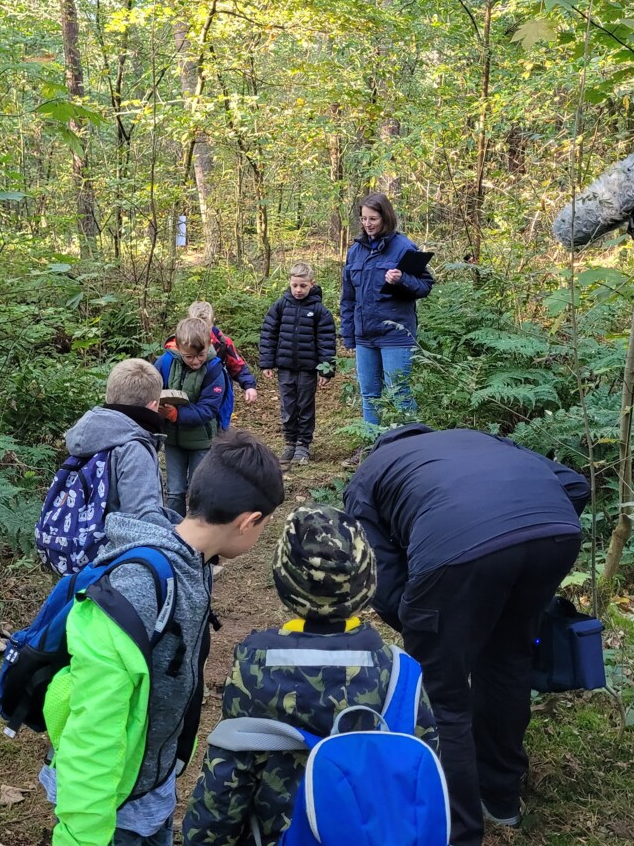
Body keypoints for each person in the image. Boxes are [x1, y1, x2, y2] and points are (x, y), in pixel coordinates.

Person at [342, 424, 590, 846]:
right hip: (556, 531)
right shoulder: (478, 438)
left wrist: (422, 625)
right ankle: (501, 798)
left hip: (457, 547)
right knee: (509, 663)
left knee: (444, 694)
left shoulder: (369, 472)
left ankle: (457, 830)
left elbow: (376, 568)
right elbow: (575, 484)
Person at [41, 431, 286, 846]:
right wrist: (81, 836)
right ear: (249, 522)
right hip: (108, 800)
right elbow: (93, 726)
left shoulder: (194, 563)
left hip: (151, 783)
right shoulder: (136, 590)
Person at [182, 502, 438, 846]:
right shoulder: (400, 674)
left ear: (283, 581)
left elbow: (226, 785)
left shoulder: (255, 666)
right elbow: (423, 775)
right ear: (367, 581)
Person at [340, 192, 434, 425]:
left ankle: (410, 441)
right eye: (364, 219)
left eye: (373, 219)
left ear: (386, 217)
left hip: (396, 335)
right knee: (369, 395)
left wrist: (402, 279)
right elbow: (348, 297)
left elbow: (424, 286)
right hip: (365, 335)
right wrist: (349, 334)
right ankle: (372, 442)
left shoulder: (403, 247)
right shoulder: (355, 251)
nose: (368, 224)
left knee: (399, 393)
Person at [62, 358, 167, 523]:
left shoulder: (86, 435)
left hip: (80, 535)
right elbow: (142, 523)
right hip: (113, 540)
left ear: (107, 396)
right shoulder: (135, 450)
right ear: (153, 405)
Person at [259, 262, 337, 465]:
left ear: (312, 284)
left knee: (305, 405)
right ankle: (290, 442)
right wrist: (267, 363)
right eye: (294, 285)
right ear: (289, 283)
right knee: (288, 406)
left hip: (307, 369)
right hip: (285, 366)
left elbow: (326, 341)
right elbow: (269, 334)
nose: (298, 290)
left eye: (303, 285)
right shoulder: (281, 306)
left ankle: (303, 444)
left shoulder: (319, 311)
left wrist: (326, 370)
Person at [154, 317, 229, 515]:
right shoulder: (165, 363)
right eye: (189, 357)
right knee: (174, 491)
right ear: (178, 347)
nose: (196, 361)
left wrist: (175, 414)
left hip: (201, 442)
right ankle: (174, 529)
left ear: (209, 345)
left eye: (200, 355)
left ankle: (200, 529)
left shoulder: (214, 369)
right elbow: (151, 388)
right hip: (172, 440)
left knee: (198, 490)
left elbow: (209, 409)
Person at [186, 300, 258, 429]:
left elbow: (237, 366)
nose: (202, 332)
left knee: (220, 427)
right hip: (190, 391)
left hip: (219, 393)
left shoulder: (223, 343)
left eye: (206, 327)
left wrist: (249, 386)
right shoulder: (182, 343)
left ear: (212, 322)